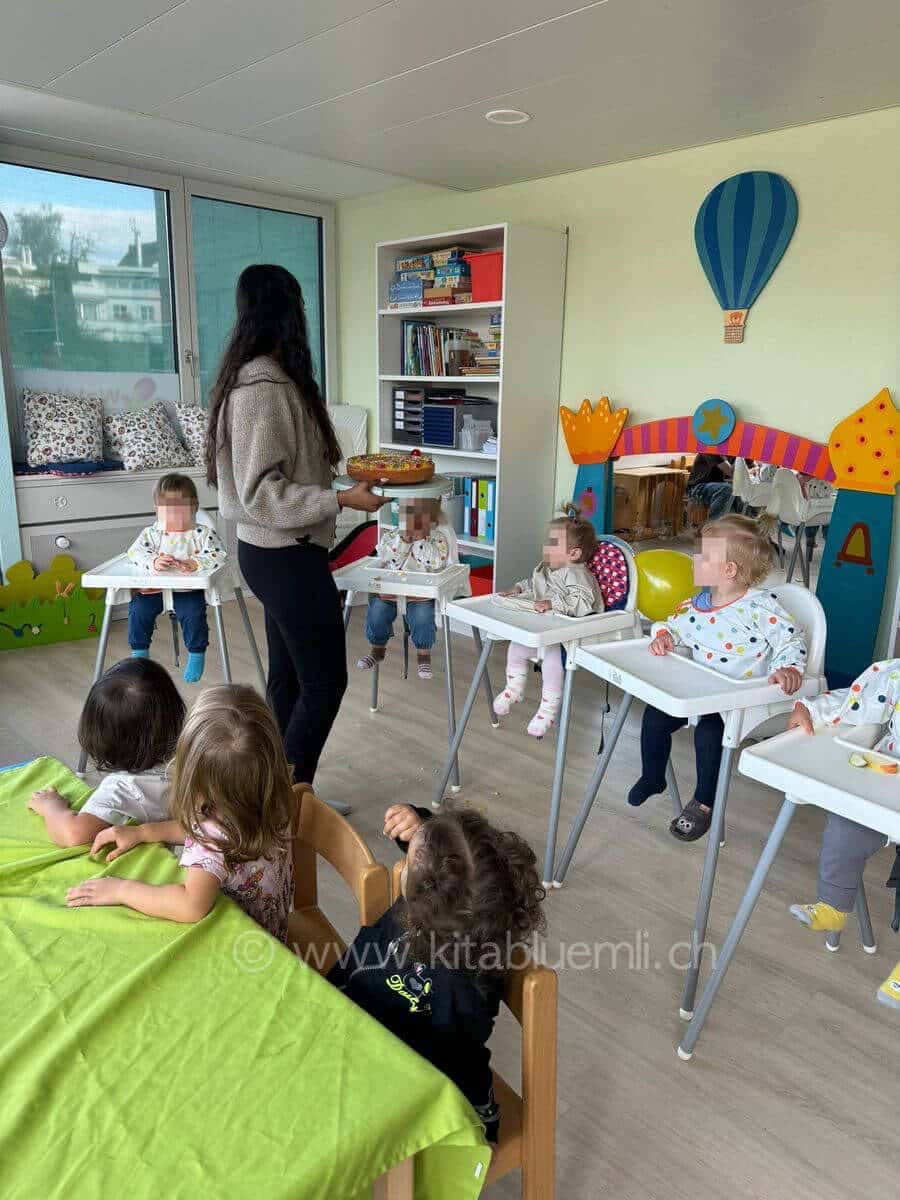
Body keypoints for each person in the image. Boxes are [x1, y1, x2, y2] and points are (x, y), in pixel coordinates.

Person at [206, 264, 385, 784]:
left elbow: (283, 475)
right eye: (300, 306)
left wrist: (340, 485)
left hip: (276, 552)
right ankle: (287, 804)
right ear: (287, 312)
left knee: (288, 680)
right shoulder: (261, 389)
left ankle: (265, 794)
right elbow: (262, 492)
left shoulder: (268, 380)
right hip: (282, 554)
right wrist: (340, 497)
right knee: (325, 683)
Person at [328, 804, 546, 1142]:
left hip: (426, 1094)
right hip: (360, 1031)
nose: (407, 858)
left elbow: (442, 1067)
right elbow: (449, 856)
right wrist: (419, 822)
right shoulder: (453, 900)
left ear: (426, 893)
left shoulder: (458, 987)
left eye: (413, 859)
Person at [66, 685, 295, 942]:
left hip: (242, 945)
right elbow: (206, 829)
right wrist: (145, 832)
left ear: (190, 773)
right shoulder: (273, 797)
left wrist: (120, 889)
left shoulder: (213, 834)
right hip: (273, 930)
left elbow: (190, 905)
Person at [628, 513, 807, 841]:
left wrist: (789, 668)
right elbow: (674, 623)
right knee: (655, 717)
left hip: (741, 701)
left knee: (709, 733)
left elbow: (791, 638)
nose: (694, 559)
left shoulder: (759, 607)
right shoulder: (699, 604)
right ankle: (653, 776)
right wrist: (665, 635)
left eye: (703, 554)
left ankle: (704, 803)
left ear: (728, 570)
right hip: (700, 691)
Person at [785, 661, 900, 1009]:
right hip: (886, 787)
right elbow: (854, 702)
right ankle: (834, 906)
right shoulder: (895, 677)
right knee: (844, 829)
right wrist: (810, 708)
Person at [28, 658, 185, 847]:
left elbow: (73, 834)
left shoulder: (125, 788)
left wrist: (50, 806)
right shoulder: (193, 755)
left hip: (142, 870)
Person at [492, 511, 602, 737]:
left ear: (574, 553)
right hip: (546, 630)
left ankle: (547, 711)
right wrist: (518, 589)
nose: (546, 546)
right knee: (516, 647)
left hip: (567, 637)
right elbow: (537, 585)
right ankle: (514, 689)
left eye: (553, 543)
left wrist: (552, 603)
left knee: (552, 660)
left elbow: (581, 602)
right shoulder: (551, 570)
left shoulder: (577, 575)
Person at [126, 473, 226, 683]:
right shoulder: (151, 534)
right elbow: (134, 553)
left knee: (193, 615)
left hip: (187, 590)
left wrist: (196, 562)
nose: (174, 514)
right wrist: (153, 561)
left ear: (195, 507)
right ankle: (139, 655)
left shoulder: (201, 533)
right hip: (154, 589)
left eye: (181, 507)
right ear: (157, 509)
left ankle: (197, 654)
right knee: (137, 611)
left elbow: (218, 555)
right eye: (167, 509)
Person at [357, 498, 450, 681]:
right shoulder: (391, 537)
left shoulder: (437, 539)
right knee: (377, 611)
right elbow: (386, 556)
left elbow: (438, 562)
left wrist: (421, 541)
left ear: (431, 520)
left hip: (419, 593)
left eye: (420, 519)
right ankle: (377, 649)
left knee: (423, 618)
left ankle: (424, 654)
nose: (413, 524)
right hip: (390, 590)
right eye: (408, 518)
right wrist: (403, 541)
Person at [686, 454, 739, 521]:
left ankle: (741, 526)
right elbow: (730, 472)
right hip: (698, 488)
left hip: (718, 487)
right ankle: (713, 527)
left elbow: (753, 467)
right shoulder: (710, 448)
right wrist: (740, 457)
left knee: (742, 492)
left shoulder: (733, 453)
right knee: (727, 489)